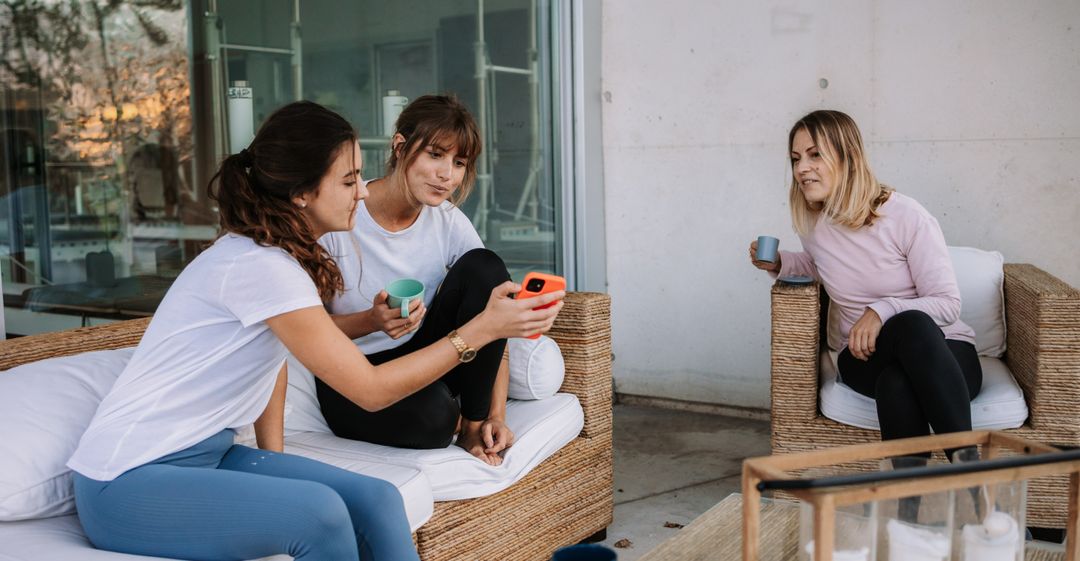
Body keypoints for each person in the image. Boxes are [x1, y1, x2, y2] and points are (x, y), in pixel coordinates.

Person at [66, 101, 563, 561]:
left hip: (208, 455)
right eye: (349, 181)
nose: (364, 191)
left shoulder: (283, 260)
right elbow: (369, 392)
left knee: (378, 499)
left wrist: (273, 463)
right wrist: (480, 330)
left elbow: (269, 362)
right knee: (319, 515)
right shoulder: (259, 265)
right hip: (126, 479)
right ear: (302, 193)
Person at [748, 109, 982, 456]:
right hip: (863, 355)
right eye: (796, 159)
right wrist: (781, 263)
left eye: (815, 155)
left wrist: (880, 311)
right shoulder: (814, 221)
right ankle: (972, 483)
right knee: (897, 360)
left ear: (848, 157)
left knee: (899, 377)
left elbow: (948, 305)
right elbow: (820, 265)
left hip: (943, 351)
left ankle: (913, 504)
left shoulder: (906, 216)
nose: (801, 169)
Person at [315, 94, 514, 466]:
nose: (447, 175)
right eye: (435, 155)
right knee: (434, 420)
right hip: (354, 373)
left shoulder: (449, 222)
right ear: (401, 147)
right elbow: (307, 331)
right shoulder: (339, 218)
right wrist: (370, 322)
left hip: (427, 355)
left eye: (459, 163)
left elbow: (494, 320)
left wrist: (495, 415)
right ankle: (448, 413)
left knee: (486, 268)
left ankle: (471, 428)